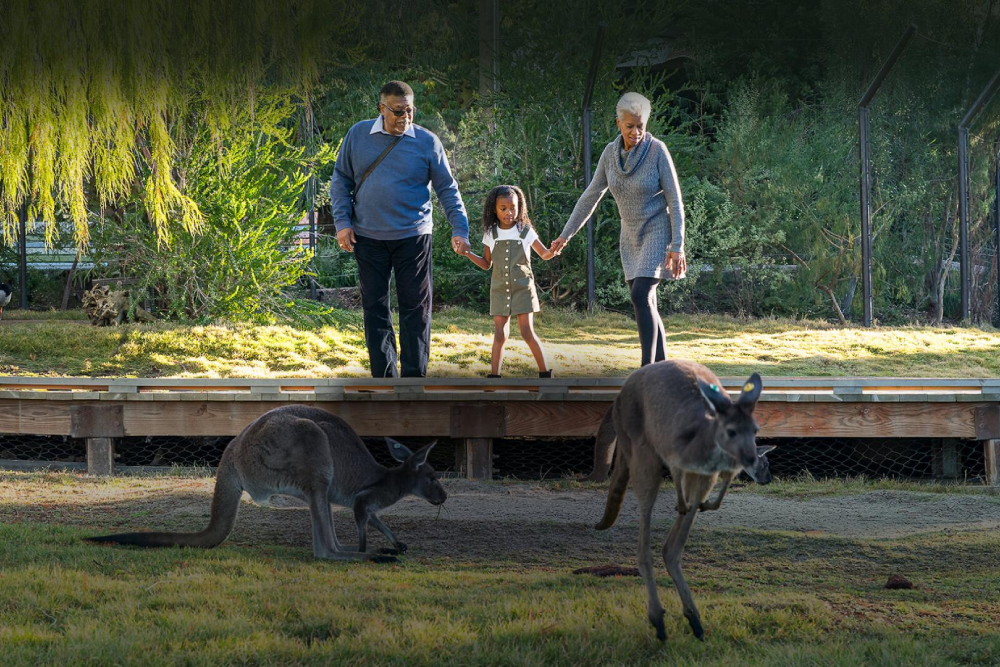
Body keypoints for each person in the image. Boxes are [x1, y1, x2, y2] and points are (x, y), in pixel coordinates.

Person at [330, 80, 471, 378]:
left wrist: (460, 228)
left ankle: (413, 379)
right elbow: (341, 180)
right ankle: (384, 379)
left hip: (414, 236)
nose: (405, 118)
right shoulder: (357, 135)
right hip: (368, 237)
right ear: (381, 108)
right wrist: (342, 223)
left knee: (415, 310)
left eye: (410, 111)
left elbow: (447, 189)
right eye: (397, 111)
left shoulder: (427, 141)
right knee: (375, 309)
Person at [550, 92, 687, 367]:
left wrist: (677, 245)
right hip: (630, 235)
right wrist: (566, 234)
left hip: (657, 230)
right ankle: (663, 368)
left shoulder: (657, 150)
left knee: (640, 294)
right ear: (618, 124)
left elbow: (675, 199)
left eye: (641, 126)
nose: (636, 132)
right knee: (647, 303)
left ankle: (646, 369)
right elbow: (591, 195)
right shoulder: (609, 156)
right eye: (630, 126)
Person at [461, 185, 557, 378]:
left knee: (526, 332)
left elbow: (544, 254)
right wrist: (468, 253)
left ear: (519, 207)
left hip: (523, 288)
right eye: (503, 208)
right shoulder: (491, 233)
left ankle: (545, 374)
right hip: (499, 289)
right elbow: (487, 263)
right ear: (494, 210)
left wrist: (553, 250)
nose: (509, 212)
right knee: (500, 334)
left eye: (513, 207)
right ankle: (494, 377)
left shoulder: (525, 231)